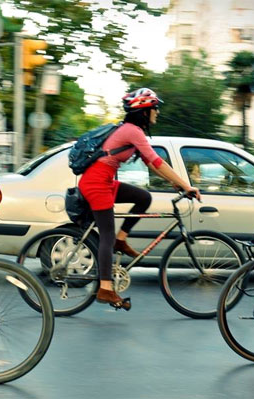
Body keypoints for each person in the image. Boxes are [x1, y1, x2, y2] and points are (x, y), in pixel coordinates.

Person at [78, 88, 201, 310]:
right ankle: (105, 288)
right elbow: (157, 161)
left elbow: (151, 164)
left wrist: (176, 184)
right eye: (155, 108)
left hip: (104, 182)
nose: (158, 112)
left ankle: (121, 240)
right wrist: (186, 185)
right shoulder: (132, 131)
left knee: (143, 198)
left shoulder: (131, 131)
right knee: (106, 235)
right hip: (96, 183)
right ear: (144, 111)